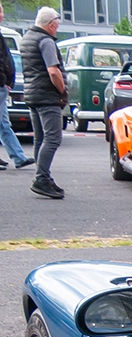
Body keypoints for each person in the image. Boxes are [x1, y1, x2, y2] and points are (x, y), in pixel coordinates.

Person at [21, 6, 66, 199]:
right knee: (53, 138)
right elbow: (53, 71)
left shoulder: (26, 39)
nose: (57, 28)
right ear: (50, 24)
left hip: (32, 94)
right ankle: (41, 178)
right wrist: (62, 90)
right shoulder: (46, 41)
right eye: (56, 25)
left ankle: (44, 176)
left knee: (40, 138)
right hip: (47, 96)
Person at [0, 0, 36, 170]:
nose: (2, 15)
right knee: (2, 123)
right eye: (0, 12)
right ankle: (18, 157)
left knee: (3, 124)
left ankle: (18, 157)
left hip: (2, 85)